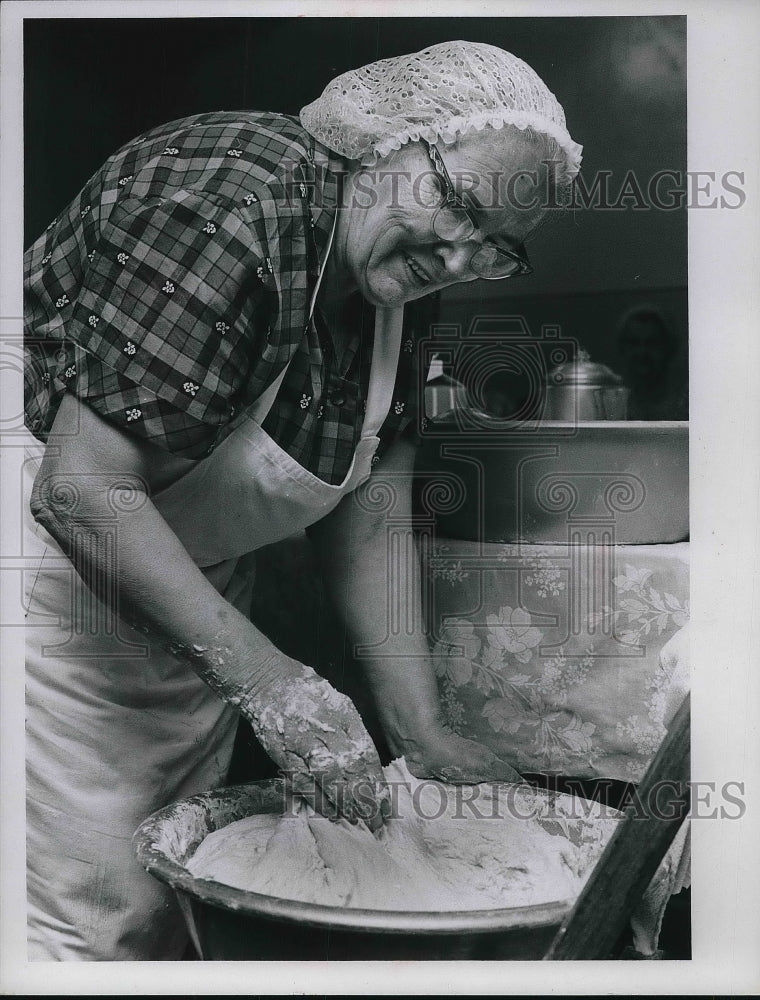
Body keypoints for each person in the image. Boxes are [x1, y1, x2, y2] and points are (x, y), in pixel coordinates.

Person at [23, 40, 582, 959]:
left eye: (495, 246)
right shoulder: (228, 204)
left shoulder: (400, 281)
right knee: (84, 920)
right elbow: (84, 490)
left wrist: (423, 729)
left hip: (183, 595)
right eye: (457, 205)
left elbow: (373, 513)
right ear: (387, 141)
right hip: (53, 575)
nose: (458, 251)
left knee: (173, 900)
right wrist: (273, 684)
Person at [616, 305, 688, 420]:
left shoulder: (685, 404)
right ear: (622, 348)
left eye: (652, 343)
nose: (642, 352)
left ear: (668, 348)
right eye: (634, 343)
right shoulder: (613, 403)